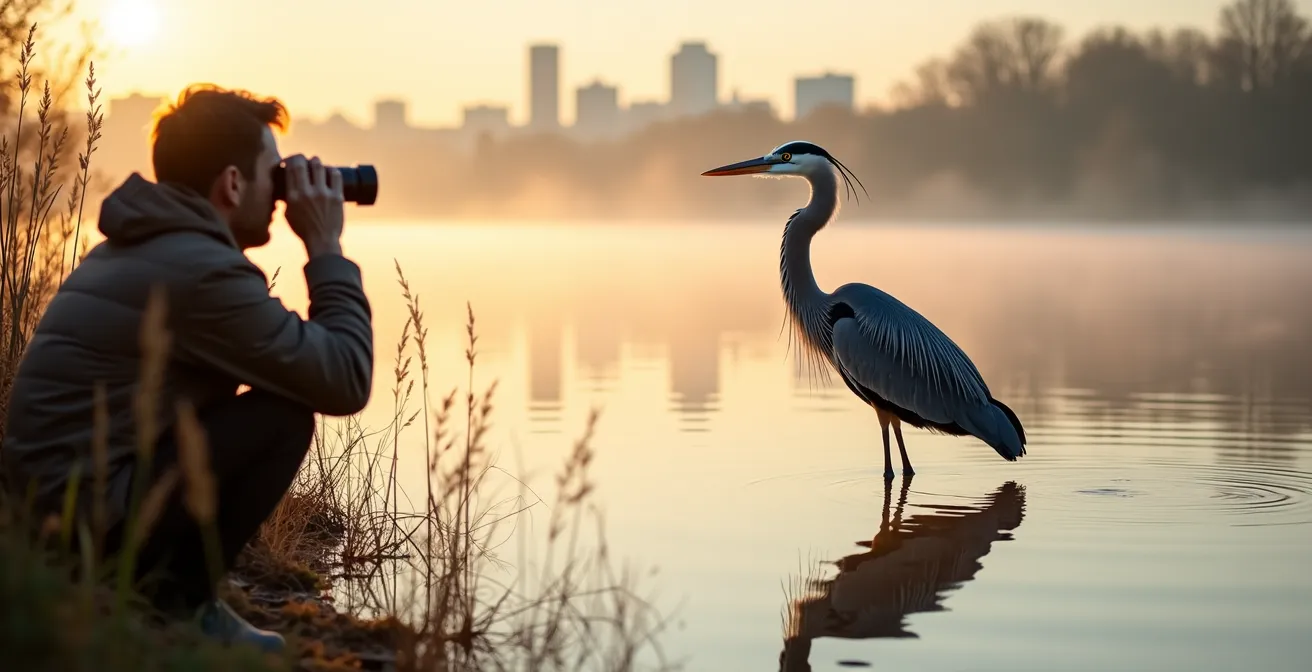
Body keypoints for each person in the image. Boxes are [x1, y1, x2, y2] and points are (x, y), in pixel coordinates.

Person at [0, 84, 374, 651]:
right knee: (283, 416)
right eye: (272, 174)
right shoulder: (201, 272)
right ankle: (174, 609)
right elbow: (344, 379)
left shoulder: (145, 244)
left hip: (52, 513)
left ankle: (164, 599)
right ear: (230, 183)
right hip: (83, 527)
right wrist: (324, 245)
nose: (282, 194)